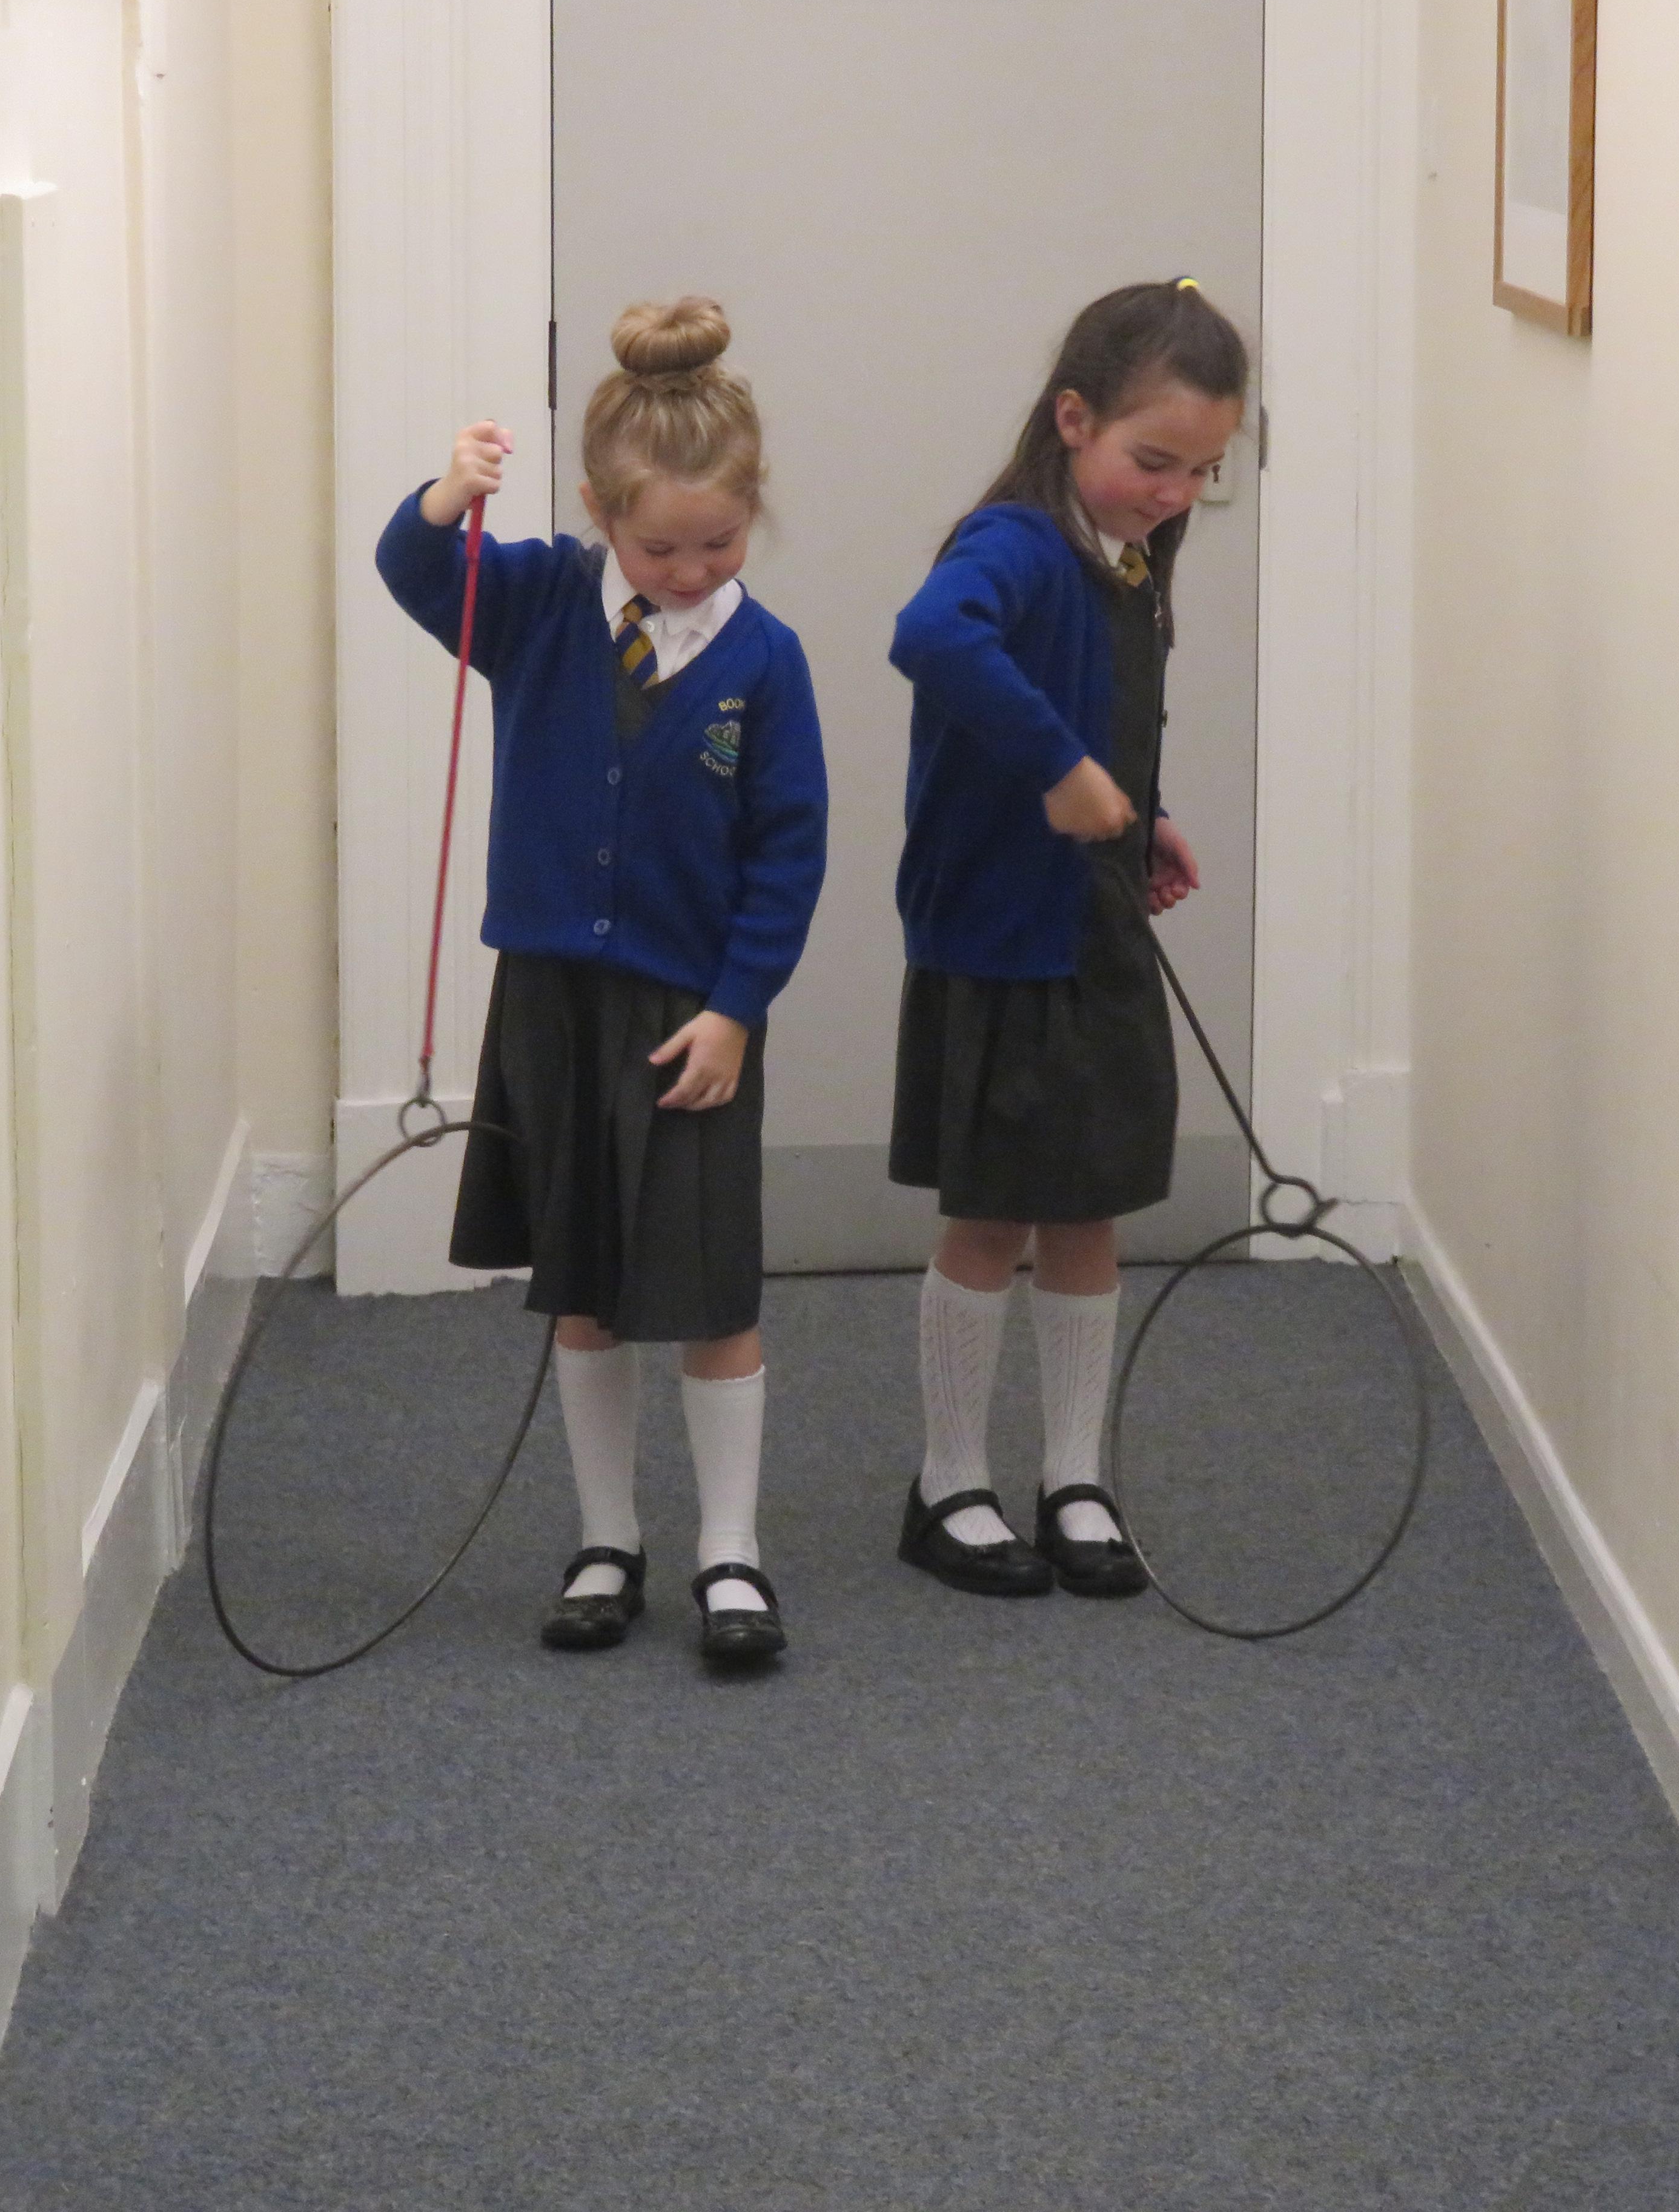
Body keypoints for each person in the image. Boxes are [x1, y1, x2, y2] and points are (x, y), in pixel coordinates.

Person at [374, 298, 827, 1666]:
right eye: (660, 548)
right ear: (597, 515)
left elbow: (788, 855)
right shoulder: (537, 607)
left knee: (711, 1294)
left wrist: (737, 1009)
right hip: (555, 1005)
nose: (691, 571)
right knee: (583, 1289)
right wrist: (447, 494)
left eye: (720, 544)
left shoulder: (767, 660)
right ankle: (606, 1539)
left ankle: (730, 1551)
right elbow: (413, 565)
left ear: (752, 513)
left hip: (693, 1022)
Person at [883, 279, 1250, 1600]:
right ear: (1074, 417)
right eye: (1154, 462)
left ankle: (1074, 1476)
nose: (1175, 493)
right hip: (1002, 937)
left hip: (1091, 923)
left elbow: (1101, 708)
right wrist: (1059, 768)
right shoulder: (1016, 544)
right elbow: (932, 636)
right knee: (992, 1215)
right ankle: (948, 1485)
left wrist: (1140, 811)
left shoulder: (1131, 554)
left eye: (1203, 473)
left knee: (1089, 1204)